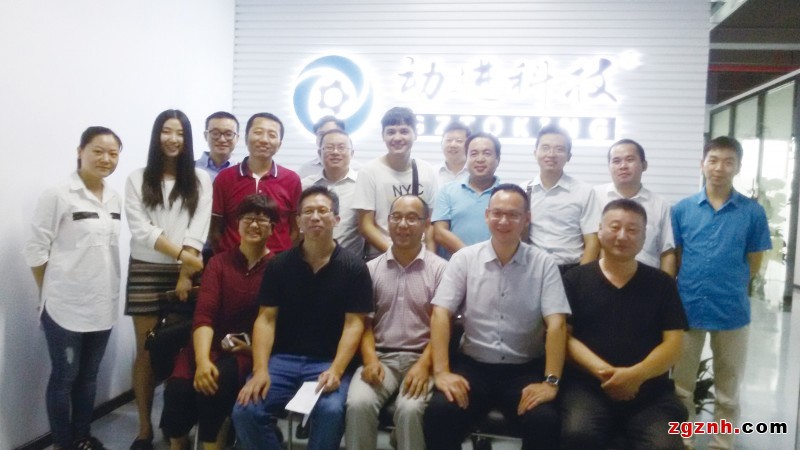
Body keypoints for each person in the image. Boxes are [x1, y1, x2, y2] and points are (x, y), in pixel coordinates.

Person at [423, 184, 570, 450]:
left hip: (524, 369)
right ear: (487, 215)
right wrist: (442, 372)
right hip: (474, 367)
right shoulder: (464, 259)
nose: (504, 221)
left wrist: (551, 382)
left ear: (527, 219)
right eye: (497, 213)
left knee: (544, 421)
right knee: (440, 412)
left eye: (513, 215)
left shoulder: (543, 263)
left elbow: (557, 324)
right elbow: (441, 313)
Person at [232, 186, 373, 450]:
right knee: (246, 410)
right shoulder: (279, 265)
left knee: (330, 411)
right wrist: (260, 370)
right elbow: (265, 320)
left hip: (328, 362)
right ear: (298, 220)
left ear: (336, 219)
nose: (315, 217)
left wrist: (336, 370)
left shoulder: (354, 268)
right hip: (282, 361)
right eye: (308, 212)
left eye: (322, 211)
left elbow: (354, 324)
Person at [23, 126, 123, 450]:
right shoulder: (59, 194)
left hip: (102, 304)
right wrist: (50, 291)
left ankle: (82, 437)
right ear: (80, 151)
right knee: (64, 377)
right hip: (64, 306)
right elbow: (36, 250)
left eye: (113, 153)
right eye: (98, 151)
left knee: (89, 376)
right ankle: (63, 443)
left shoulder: (114, 197)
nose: (106, 159)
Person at [560, 199, 688, 450]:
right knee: (578, 434)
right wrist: (606, 373)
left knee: (665, 446)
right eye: (614, 227)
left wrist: (635, 376)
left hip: (649, 391)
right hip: (587, 388)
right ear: (600, 230)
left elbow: (674, 345)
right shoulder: (574, 279)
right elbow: (564, 337)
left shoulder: (662, 284)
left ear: (644, 237)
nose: (622, 236)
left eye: (632, 230)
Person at [671, 136, 771, 450]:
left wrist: (729, 283)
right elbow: (678, 256)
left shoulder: (752, 212)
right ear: (702, 164)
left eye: (728, 162)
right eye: (713, 160)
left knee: (728, 386)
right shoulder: (682, 210)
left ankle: (722, 441)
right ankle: (683, 438)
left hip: (731, 308)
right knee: (681, 384)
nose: (719, 168)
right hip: (688, 305)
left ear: (738, 167)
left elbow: (754, 261)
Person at [159, 194, 278, 450]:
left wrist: (251, 350)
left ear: (273, 228)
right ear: (237, 223)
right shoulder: (218, 263)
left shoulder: (278, 267)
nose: (254, 224)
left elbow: (276, 323)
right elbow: (204, 315)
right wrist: (202, 361)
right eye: (248, 218)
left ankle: (214, 443)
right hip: (206, 344)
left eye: (262, 220)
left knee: (215, 385)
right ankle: (178, 444)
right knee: (177, 390)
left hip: (247, 351)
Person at [124, 109, 212, 450]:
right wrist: (182, 257)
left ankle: (176, 426)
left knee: (181, 349)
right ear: (156, 135)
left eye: (180, 133)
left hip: (185, 272)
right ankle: (144, 428)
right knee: (146, 350)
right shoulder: (137, 178)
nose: (173, 139)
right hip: (146, 268)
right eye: (166, 131)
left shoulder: (200, 178)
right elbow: (141, 229)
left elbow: (198, 228)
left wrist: (186, 272)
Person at [345, 195, 447, 450]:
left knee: (409, 409)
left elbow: (442, 327)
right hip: (381, 357)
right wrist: (370, 360)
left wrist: (424, 366)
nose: (403, 224)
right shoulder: (370, 269)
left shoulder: (441, 270)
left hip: (422, 358)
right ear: (388, 222)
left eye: (412, 218)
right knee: (358, 404)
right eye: (396, 217)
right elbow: (364, 324)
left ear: (426, 225)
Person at [210, 112, 301, 255]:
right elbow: (215, 228)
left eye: (272, 135)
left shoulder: (291, 180)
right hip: (234, 261)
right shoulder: (225, 178)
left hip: (278, 262)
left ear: (279, 144)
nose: (264, 140)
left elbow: (295, 229)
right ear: (246, 138)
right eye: (258, 132)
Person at [353, 107, 438, 259]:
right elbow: (366, 226)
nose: (397, 138)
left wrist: (431, 259)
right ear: (383, 136)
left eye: (404, 131)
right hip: (381, 256)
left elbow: (430, 223)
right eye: (391, 132)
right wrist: (398, 255)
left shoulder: (428, 171)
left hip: (420, 257)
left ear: (415, 134)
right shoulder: (369, 172)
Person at [524, 124, 600, 274]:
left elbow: (593, 242)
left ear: (569, 156)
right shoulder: (524, 190)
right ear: (535, 153)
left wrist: (580, 277)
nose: (551, 154)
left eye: (559, 149)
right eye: (545, 148)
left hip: (571, 269)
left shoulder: (584, 191)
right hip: (532, 269)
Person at [593, 139, 676, 275]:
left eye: (630, 160)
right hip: (601, 278)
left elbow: (667, 252)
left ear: (644, 165)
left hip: (647, 279)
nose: (623, 166)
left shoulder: (660, 204)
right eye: (616, 161)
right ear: (609, 166)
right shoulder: (594, 197)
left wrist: (666, 285)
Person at [432, 131, 501, 259]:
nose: (480, 159)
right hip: (454, 266)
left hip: (496, 266)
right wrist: (471, 258)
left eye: (487, 153)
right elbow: (439, 232)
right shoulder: (447, 191)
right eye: (473, 154)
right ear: (466, 158)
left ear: (497, 160)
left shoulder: (507, 195)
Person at [302, 129, 364, 256]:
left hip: (351, 262)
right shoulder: (305, 185)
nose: (335, 152)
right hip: (310, 260)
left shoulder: (363, 184)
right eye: (329, 148)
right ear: (319, 153)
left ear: (352, 153)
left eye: (341, 148)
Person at [298, 115, 362, 178]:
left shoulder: (359, 170)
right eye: (321, 134)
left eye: (331, 133)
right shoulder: (305, 170)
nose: (326, 137)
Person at [196, 111, 239, 182]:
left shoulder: (243, 173)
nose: (222, 139)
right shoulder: (190, 169)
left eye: (228, 134)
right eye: (215, 133)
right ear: (206, 135)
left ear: (237, 138)